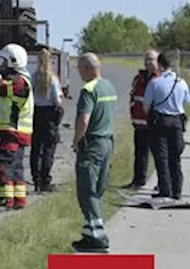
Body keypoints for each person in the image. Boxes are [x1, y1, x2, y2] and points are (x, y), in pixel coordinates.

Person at [72, 53, 117, 252]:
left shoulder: (88, 90)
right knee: (97, 188)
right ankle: (89, 233)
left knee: (86, 189)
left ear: (88, 68)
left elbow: (84, 120)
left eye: (80, 68)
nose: (78, 72)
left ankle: (99, 237)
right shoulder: (108, 86)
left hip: (92, 144)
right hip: (107, 141)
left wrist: (76, 140)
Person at [0, 43, 34, 209]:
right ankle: (19, 200)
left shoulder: (19, 82)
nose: (1, 64)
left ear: (12, 62)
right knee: (16, 168)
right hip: (16, 132)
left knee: (3, 167)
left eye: (3, 61)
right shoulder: (20, 79)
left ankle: (5, 201)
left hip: (15, 131)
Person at [142, 52, 189, 200]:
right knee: (175, 157)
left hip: (160, 121)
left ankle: (165, 189)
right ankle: (177, 190)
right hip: (177, 121)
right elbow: (186, 101)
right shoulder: (181, 82)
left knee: (161, 157)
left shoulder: (155, 83)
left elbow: (146, 106)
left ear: (160, 64)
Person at [124, 50, 160, 190]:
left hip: (155, 125)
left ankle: (162, 183)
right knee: (140, 154)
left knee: (159, 155)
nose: (149, 62)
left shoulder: (160, 79)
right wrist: (132, 115)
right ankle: (138, 181)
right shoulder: (138, 78)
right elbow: (133, 97)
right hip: (139, 124)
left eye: (152, 59)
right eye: (147, 59)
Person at [30, 52, 64, 193]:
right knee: (49, 149)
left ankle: (36, 179)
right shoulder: (52, 79)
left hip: (36, 113)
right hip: (49, 114)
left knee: (36, 148)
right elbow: (57, 100)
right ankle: (45, 180)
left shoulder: (33, 77)